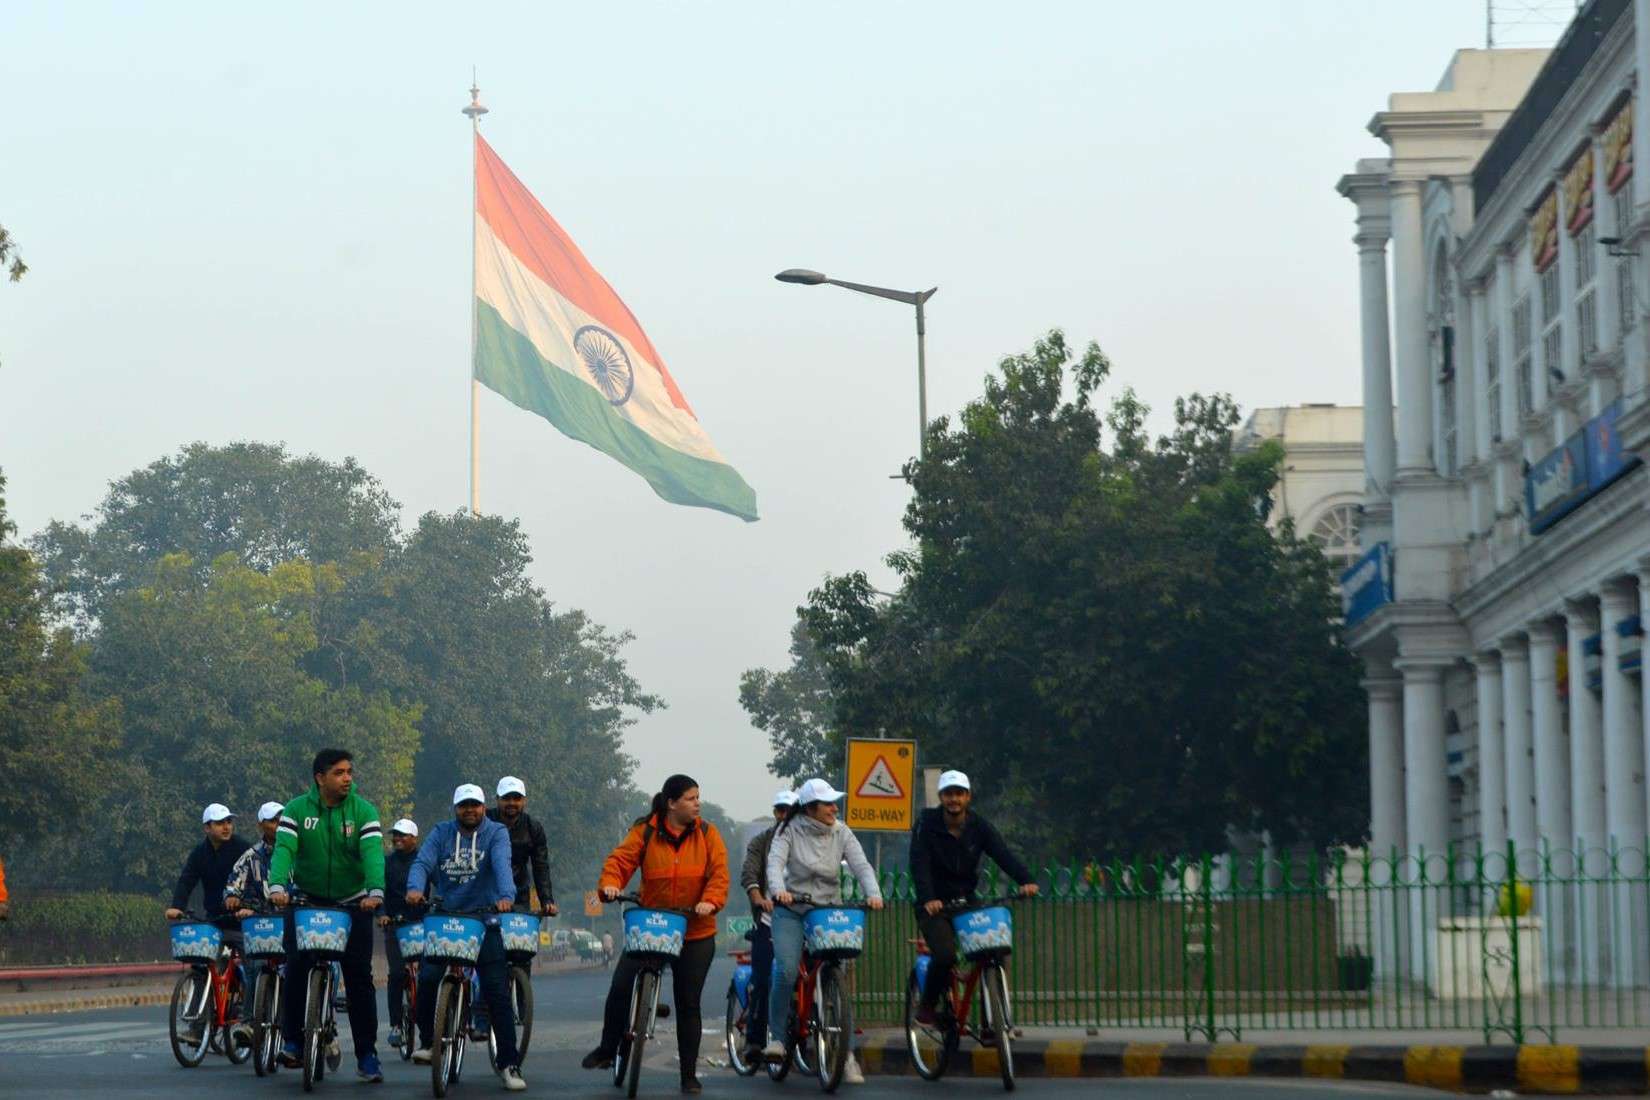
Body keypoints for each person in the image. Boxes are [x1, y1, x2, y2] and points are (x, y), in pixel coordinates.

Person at [581, 774, 729, 1096]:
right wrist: (610, 884)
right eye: (691, 798)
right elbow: (620, 861)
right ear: (672, 803)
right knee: (620, 984)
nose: (697, 804)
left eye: (698, 797)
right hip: (652, 924)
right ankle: (608, 1048)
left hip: (695, 930)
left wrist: (710, 901)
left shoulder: (707, 833)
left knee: (688, 1004)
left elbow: (719, 874)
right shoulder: (645, 831)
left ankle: (688, 1075)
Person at [267, 748, 386, 1083]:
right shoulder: (296, 810)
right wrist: (277, 885)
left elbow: (373, 853)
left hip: (354, 903)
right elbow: (285, 850)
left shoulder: (363, 812)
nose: (347, 778)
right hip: (306, 901)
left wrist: (375, 891)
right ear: (320, 778)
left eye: (350, 771)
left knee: (360, 979)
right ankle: (291, 1040)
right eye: (339, 772)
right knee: (295, 967)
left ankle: (367, 1055)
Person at [404, 784, 525, 1092]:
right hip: (446, 917)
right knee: (428, 977)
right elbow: (422, 862)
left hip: (485, 920)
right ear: (455, 808)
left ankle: (509, 1064)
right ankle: (429, 1041)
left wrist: (506, 896)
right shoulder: (441, 832)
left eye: (475, 805)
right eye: (463, 805)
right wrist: (416, 889)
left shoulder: (496, 833)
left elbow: (501, 865)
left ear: (484, 807)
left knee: (497, 991)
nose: (469, 810)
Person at [764, 778, 883, 1084]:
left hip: (828, 909)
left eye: (834, 803)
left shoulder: (842, 831)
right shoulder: (787, 830)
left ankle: (848, 1057)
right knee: (787, 970)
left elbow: (861, 865)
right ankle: (777, 1038)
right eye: (828, 803)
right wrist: (779, 891)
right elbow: (774, 865)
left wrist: (874, 892)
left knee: (838, 972)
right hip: (792, 910)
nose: (834, 808)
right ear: (809, 808)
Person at [907, 769, 1038, 1026]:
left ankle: (994, 1021)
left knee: (994, 951)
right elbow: (918, 863)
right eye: (948, 794)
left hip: (967, 901)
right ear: (941, 797)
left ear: (968, 797)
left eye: (959, 794)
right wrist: (928, 898)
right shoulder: (927, 824)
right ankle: (929, 1006)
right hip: (934, 906)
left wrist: (1026, 880)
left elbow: (1002, 854)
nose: (953, 799)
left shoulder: (979, 826)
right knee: (945, 955)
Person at [738, 788, 798, 1061]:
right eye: (780, 811)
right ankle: (754, 1040)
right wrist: (759, 898)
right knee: (763, 980)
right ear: (776, 813)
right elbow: (749, 873)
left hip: (803, 918)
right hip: (769, 918)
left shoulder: (806, 839)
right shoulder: (762, 842)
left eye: (790, 811)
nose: (784, 816)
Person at [224, 800, 287, 1040]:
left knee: (297, 970)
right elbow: (234, 883)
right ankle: (250, 1022)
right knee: (254, 967)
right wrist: (232, 898)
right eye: (273, 821)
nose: (278, 825)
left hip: (291, 921)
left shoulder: (299, 852)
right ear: (261, 825)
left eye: (282, 820)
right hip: (262, 923)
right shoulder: (251, 857)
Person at [487, 777, 557, 926]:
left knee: (518, 945)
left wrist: (547, 901)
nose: (511, 803)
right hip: (484, 894)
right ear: (497, 799)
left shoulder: (533, 828)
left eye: (516, 798)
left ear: (524, 800)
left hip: (519, 895)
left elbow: (541, 867)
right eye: (506, 798)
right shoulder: (484, 821)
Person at [167, 803, 252, 923]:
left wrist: (248, 906)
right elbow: (186, 881)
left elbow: (256, 880)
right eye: (220, 823)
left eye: (229, 822)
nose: (226, 827)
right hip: (213, 920)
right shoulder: (199, 853)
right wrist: (177, 906)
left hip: (244, 918)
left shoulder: (243, 848)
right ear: (207, 828)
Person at [378, 818, 419, 1051]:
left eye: (403, 835)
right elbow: (379, 889)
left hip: (421, 923)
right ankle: (395, 1025)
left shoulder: (424, 861)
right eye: (395, 835)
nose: (398, 839)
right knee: (396, 974)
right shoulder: (387, 863)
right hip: (395, 924)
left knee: (427, 974)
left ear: (415, 838)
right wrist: (381, 914)